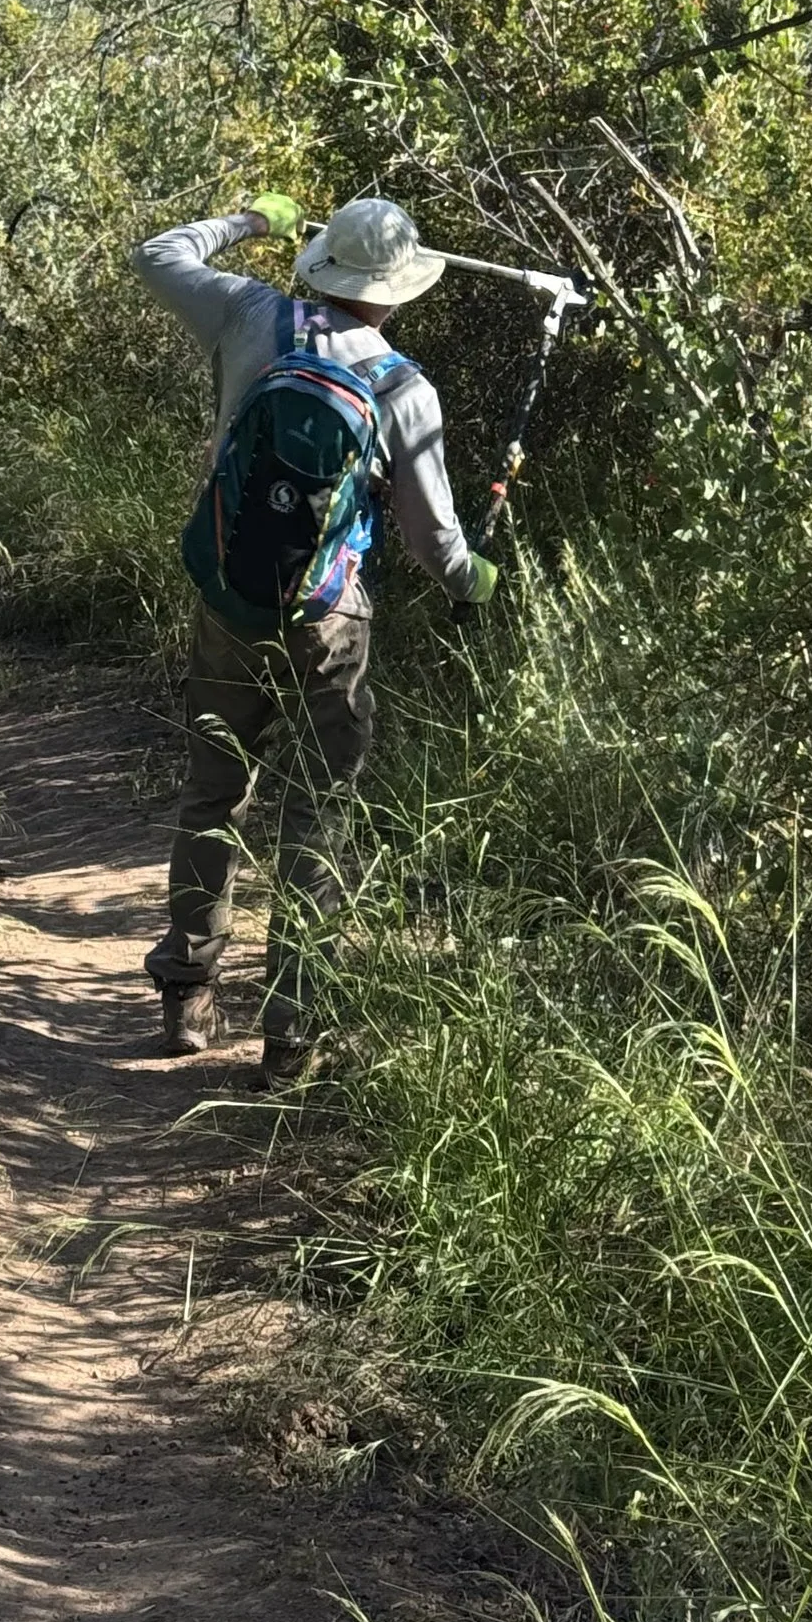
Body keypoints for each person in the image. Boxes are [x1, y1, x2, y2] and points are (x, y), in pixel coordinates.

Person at [128, 189, 497, 1084]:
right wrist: (478, 580)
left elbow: (157, 252)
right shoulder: (406, 389)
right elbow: (435, 543)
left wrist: (254, 220)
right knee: (318, 817)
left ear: (323, 263)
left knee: (215, 791)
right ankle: (292, 1035)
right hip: (330, 619)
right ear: (398, 290)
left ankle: (187, 992)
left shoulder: (252, 311)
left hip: (229, 596)